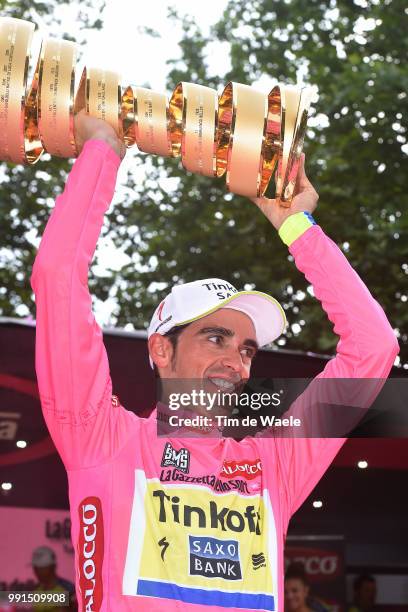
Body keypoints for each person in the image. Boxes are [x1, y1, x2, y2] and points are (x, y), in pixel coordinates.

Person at [30, 111, 398, 611]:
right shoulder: (101, 438)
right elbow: (57, 276)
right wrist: (102, 150)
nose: (236, 363)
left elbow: (374, 346)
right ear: (162, 349)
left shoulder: (276, 464)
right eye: (216, 338)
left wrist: (296, 225)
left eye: (246, 349)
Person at [31, 546, 76, 611]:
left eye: (41, 568)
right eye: (35, 568)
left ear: (53, 567)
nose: (37, 572)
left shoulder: (68, 589)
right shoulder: (36, 590)